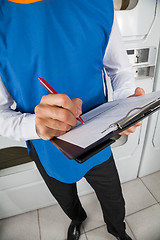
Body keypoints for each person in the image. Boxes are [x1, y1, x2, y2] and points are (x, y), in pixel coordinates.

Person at [0, 0, 145, 239]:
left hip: (97, 137)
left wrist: (125, 102)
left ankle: (118, 230)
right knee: (66, 199)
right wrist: (36, 125)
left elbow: (119, 71)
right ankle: (78, 220)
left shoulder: (99, 3)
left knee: (113, 196)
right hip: (47, 147)